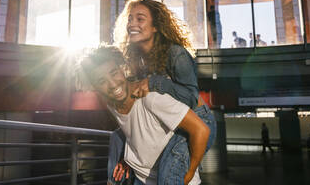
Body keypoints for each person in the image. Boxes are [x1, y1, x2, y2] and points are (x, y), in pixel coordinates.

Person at [113, 0, 216, 184]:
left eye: (140, 18)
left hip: (197, 119)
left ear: (155, 26)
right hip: (168, 123)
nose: (132, 23)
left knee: (170, 175)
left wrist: (154, 82)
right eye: (130, 18)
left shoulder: (175, 53)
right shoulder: (135, 58)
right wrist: (127, 157)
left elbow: (191, 98)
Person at [77, 46, 211, 185]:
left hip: (171, 180)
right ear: (94, 87)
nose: (112, 84)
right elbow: (133, 132)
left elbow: (201, 130)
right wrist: (128, 158)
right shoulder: (112, 103)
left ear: (122, 68)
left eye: (114, 73)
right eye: (102, 81)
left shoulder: (151, 98)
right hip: (140, 178)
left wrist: (188, 176)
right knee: (115, 137)